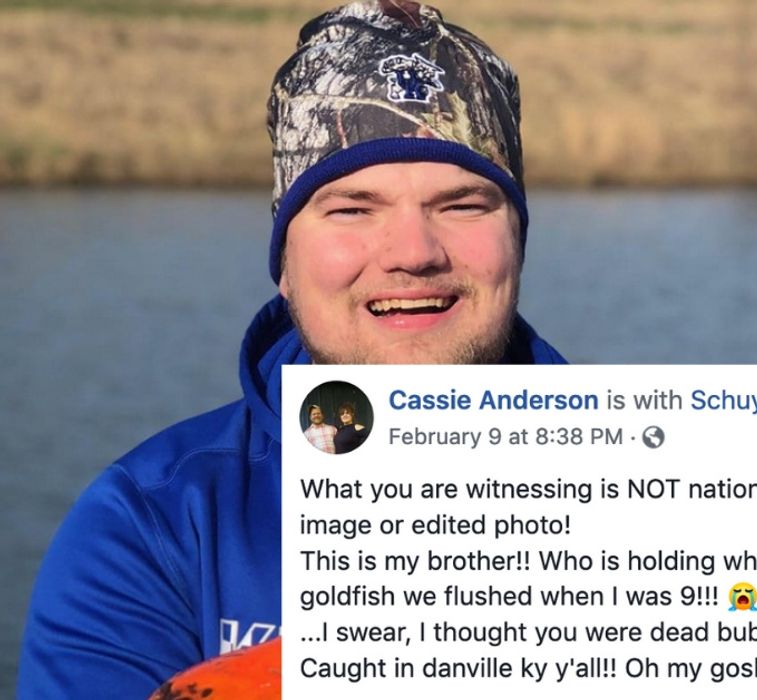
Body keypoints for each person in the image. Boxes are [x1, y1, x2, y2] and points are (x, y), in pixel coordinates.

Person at [17, 1, 566, 696]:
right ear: (284, 256)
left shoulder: (668, 493)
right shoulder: (152, 525)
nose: (413, 254)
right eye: (352, 209)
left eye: (461, 205)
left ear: (516, 241)